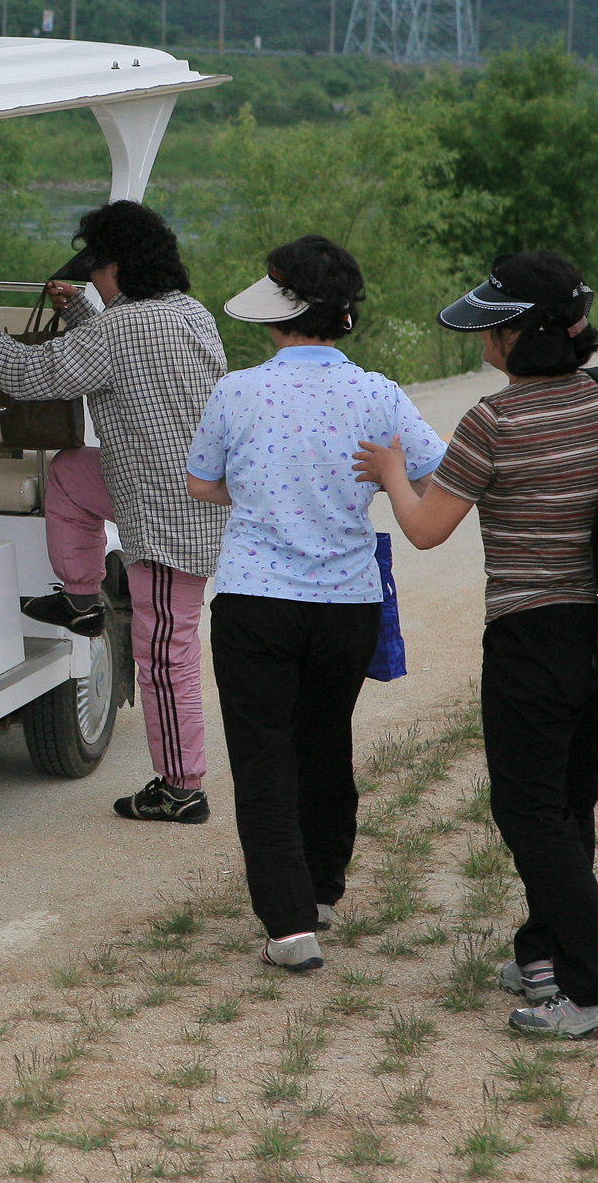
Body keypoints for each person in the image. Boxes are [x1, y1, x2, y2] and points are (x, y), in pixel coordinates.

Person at [356, 250, 598, 1038]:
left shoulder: (492, 421)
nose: (483, 339)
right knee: (569, 800)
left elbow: (425, 529)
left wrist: (393, 471)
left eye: (494, 326)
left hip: (534, 636)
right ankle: (548, 953)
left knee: (527, 809)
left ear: (522, 338)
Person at [0, 200, 228, 824]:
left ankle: (181, 787)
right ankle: (82, 598)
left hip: (168, 522)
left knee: (166, 651)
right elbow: (116, 344)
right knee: (69, 473)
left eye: (96, 274)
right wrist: (80, 308)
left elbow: (40, 373)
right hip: (187, 489)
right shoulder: (190, 315)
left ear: (119, 267)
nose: (94, 283)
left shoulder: (116, 332)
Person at [184, 237, 445, 973]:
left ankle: (290, 923)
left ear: (281, 312)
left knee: (262, 754)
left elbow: (202, 482)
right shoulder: (378, 392)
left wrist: (265, 491)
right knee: (325, 742)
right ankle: (325, 885)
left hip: (255, 600)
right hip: (345, 602)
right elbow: (434, 472)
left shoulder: (238, 391)